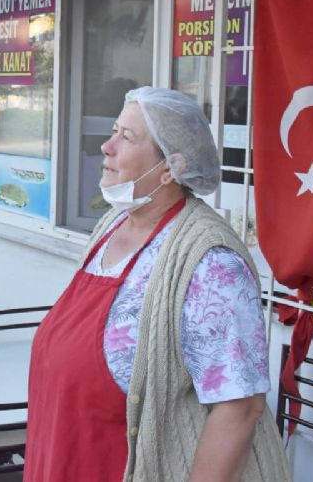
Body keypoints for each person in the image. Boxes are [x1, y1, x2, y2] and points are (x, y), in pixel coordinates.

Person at [24, 87, 290, 482]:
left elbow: (240, 407)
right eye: (114, 131)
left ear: (170, 168)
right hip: (64, 457)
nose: (107, 147)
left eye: (127, 138)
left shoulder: (211, 263)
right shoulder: (111, 225)